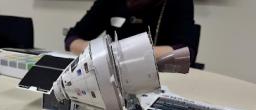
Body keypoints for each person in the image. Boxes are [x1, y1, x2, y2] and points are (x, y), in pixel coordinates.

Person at [65, 0, 197, 63]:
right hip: (113, 80)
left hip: (162, 78)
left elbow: (186, 52)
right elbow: (72, 39)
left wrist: (120, 52)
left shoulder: (179, 3)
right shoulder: (109, 2)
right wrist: (99, 52)